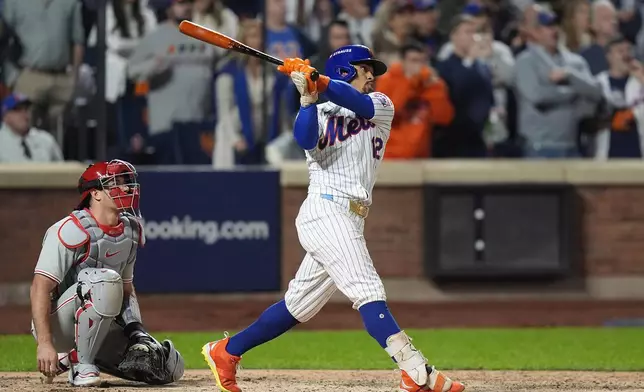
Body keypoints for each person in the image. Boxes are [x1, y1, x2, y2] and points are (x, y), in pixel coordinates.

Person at [201, 45, 465, 392]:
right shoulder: (320, 110)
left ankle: (227, 351)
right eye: (365, 68)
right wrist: (308, 99)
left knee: (299, 305)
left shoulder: (381, 105)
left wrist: (318, 80)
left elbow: (354, 101)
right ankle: (416, 371)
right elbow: (304, 138)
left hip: (352, 217)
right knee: (367, 288)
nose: (372, 75)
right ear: (344, 70)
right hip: (325, 210)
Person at [29, 159, 184, 387]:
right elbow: (39, 288)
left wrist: (136, 332)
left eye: (127, 182)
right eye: (116, 183)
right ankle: (82, 367)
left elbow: (127, 289)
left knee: (167, 366)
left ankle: (72, 358)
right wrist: (44, 343)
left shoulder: (131, 230)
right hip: (58, 325)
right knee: (105, 280)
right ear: (96, 194)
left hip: (99, 322)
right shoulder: (70, 229)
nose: (127, 188)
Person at [0, 93, 63, 162]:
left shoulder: (46, 140)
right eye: (18, 110)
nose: (24, 114)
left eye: (26, 109)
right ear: (5, 116)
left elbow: (62, 169)